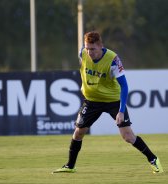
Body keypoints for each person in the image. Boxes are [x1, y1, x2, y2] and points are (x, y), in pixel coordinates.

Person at [53, 31, 163, 174]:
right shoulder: (82, 53)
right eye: (87, 48)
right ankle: (70, 166)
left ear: (100, 46)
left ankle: (153, 159)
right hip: (92, 101)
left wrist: (121, 111)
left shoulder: (113, 60)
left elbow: (124, 86)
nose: (89, 52)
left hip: (113, 101)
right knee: (78, 132)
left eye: (92, 49)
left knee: (128, 137)